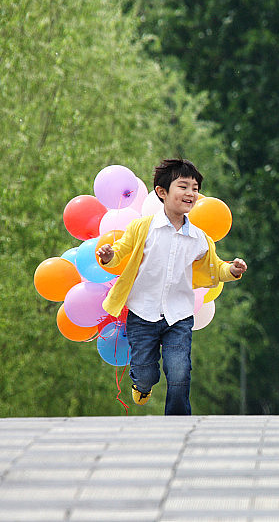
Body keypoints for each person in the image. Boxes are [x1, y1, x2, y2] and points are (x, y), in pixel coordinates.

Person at [96, 158, 247, 415]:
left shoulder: (199, 238)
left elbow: (215, 267)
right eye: (183, 186)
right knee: (146, 372)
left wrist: (231, 270)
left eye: (195, 188)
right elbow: (120, 254)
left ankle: (178, 424)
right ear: (162, 192)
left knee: (179, 371)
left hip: (179, 316)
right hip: (143, 314)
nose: (190, 193)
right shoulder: (142, 228)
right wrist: (108, 256)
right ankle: (141, 383)